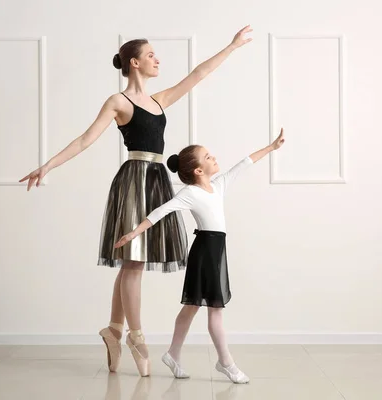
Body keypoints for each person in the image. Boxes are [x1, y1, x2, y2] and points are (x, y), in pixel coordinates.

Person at [19, 26, 253, 377]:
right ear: (134, 62)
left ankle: (114, 330)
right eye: (150, 55)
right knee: (134, 263)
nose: (157, 59)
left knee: (133, 261)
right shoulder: (118, 102)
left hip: (158, 180)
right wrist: (47, 165)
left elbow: (198, 74)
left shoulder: (159, 100)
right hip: (133, 182)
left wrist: (232, 47)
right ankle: (136, 336)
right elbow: (85, 140)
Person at [114, 128, 286, 383]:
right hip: (205, 251)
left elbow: (245, 163)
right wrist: (133, 233)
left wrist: (271, 147)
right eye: (207, 157)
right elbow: (161, 211)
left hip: (216, 250)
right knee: (214, 309)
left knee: (192, 306)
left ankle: (172, 354)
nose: (213, 157)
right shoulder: (190, 194)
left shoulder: (219, 185)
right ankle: (226, 362)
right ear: (198, 171)